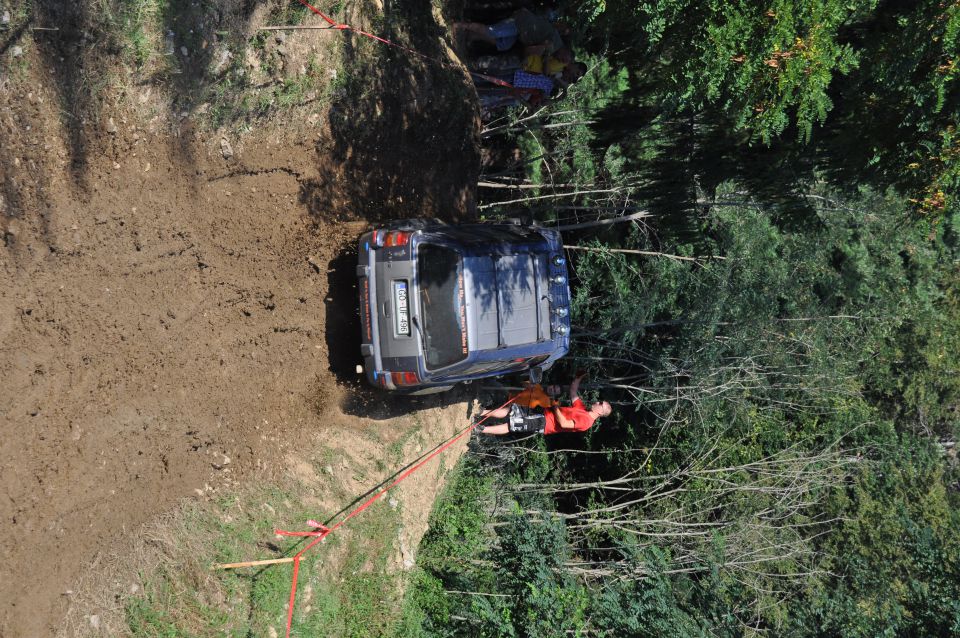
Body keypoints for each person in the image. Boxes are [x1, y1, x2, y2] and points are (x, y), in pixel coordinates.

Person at [478, 373, 612, 436]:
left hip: (544, 422)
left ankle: (481, 429)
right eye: (600, 401)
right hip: (542, 412)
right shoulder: (582, 409)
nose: (597, 401)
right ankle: (481, 413)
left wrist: (555, 407)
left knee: (512, 425)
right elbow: (573, 390)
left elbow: (564, 424)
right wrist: (579, 377)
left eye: (600, 403)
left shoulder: (586, 422)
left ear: (600, 412)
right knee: (511, 410)